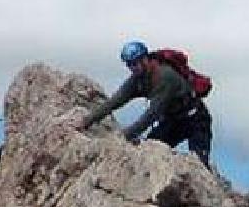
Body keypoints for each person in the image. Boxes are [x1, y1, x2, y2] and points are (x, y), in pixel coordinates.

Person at [79, 40, 214, 166]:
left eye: (136, 63)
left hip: (196, 119)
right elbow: (115, 101)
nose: (133, 68)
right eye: (130, 64)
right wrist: (87, 121)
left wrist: (124, 135)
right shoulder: (138, 80)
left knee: (199, 163)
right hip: (172, 122)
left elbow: (152, 114)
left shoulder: (165, 76)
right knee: (147, 152)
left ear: (145, 59)